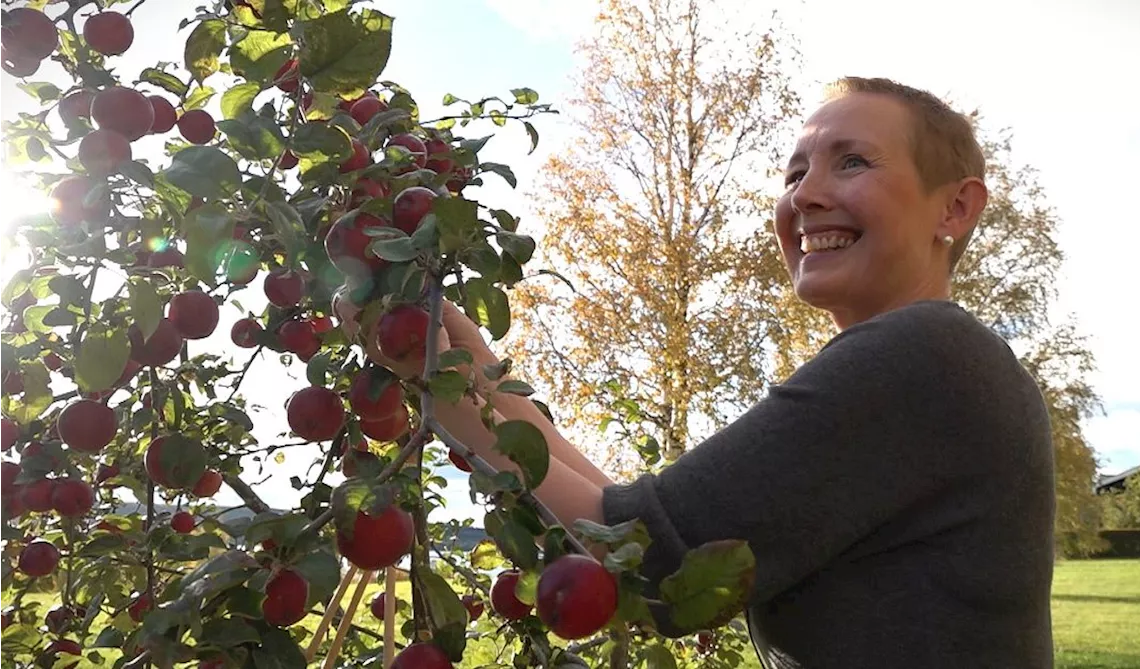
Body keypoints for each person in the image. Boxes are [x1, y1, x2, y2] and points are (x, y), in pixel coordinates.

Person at [342, 76, 1056, 668]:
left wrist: (435, 367)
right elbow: (633, 521)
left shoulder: (923, 355)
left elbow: (652, 566)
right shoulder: (933, 361)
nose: (803, 195)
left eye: (852, 162)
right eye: (794, 171)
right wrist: (452, 358)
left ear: (956, 207)